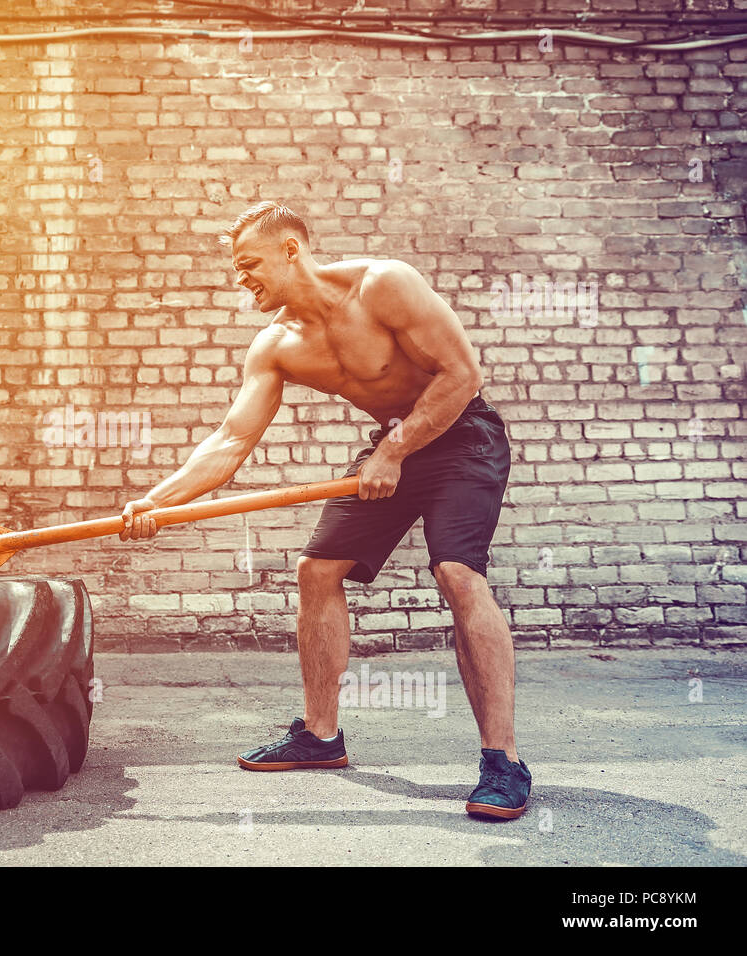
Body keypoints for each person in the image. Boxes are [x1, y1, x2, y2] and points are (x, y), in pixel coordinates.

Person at [118, 201, 530, 820]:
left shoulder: (383, 284)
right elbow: (231, 441)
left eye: (249, 263)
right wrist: (156, 501)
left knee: (457, 574)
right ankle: (320, 736)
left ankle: (504, 761)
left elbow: (462, 374)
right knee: (317, 570)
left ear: (291, 249)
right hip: (390, 450)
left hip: (462, 436)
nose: (241, 279)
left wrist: (392, 451)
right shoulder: (278, 344)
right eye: (236, 269)